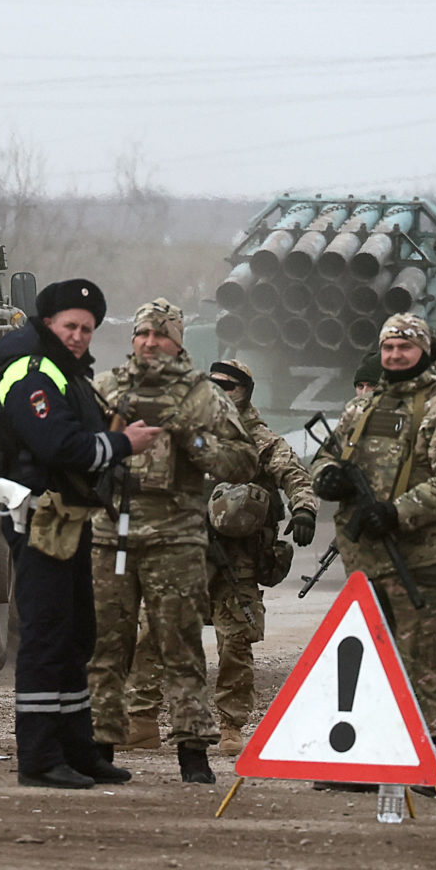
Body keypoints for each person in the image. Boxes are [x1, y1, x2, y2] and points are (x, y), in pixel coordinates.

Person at [0, 279, 161, 789]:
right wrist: (122, 443)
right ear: (48, 324)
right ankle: (40, 759)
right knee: (46, 637)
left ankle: (77, 749)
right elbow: (59, 445)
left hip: (68, 518)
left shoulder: (65, 374)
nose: (79, 335)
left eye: (87, 329)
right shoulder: (31, 372)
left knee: (76, 634)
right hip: (40, 517)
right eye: (70, 326)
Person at [309, 313, 436, 797]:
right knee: (364, 661)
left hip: (419, 561)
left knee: (432, 659)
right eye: (388, 348)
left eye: (405, 348)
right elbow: (326, 455)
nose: (394, 356)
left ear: (424, 351)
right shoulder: (364, 407)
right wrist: (329, 477)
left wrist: (397, 512)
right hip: (365, 561)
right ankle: (364, 759)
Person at [87, 299, 260, 784]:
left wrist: (195, 442)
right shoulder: (107, 388)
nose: (150, 342)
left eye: (160, 335)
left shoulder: (202, 396)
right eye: (142, 333)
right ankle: (99, 746)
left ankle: (192, 750)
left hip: (176, 537)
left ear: (179, 340)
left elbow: (245, 463)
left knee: (180, 644)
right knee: (107, 644)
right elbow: (72, 448)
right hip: (113, 532)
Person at [196, 359, 318, 750]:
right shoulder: (191, 429)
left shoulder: (262, 440)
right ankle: (144, 719)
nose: (219, 391)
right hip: (186, 550)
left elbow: (294, 475)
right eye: (212, 384)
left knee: (234, 640)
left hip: (237, 557)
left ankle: (231, 725)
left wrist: (304, 510)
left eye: (228, 386)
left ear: (245, 391)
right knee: (159, 633)